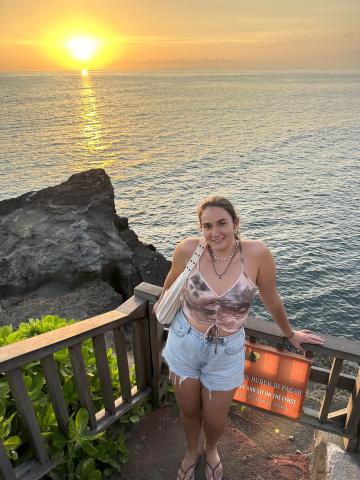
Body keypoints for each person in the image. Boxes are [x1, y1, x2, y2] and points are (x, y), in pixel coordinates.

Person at [154, 195, 324, 480]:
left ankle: (211, 450)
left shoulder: (257, 254)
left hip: (227, 351)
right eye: (207, 226)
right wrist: (164, 310)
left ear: (235, 223)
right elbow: (169, 285)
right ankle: (192, 451)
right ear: (201, 229)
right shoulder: (187, 250)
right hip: (185, 341)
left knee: (216, 417)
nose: (215, 232)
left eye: (222, 223)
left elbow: (271, 299)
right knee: (188, 410)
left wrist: (290, 333)